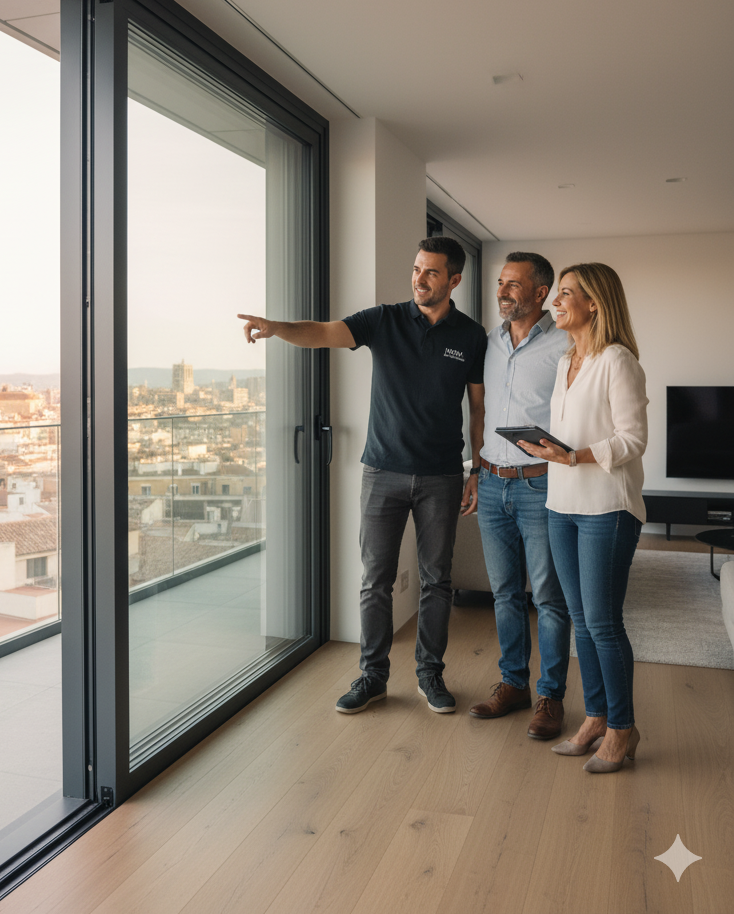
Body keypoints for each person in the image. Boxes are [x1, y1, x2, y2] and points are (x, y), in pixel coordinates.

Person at [238, 237, 486, 715]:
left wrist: (474, 468)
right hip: (382, 474)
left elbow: (477, 409)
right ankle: (372, 676)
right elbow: (322, 332)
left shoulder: (471, 336)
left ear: (454, 280)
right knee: (376, 580)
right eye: (416, 269)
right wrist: (274, 327)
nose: (419, 279)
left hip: (441, 476)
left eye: (432, 272)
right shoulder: (385, 319)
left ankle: (430, 675)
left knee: (438, 581)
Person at [517, 262, 647, 773]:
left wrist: (574, 456)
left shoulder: (618, 361)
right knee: (583, 625)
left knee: (604, 623)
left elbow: (633, 439)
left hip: (606, 510)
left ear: (595, 302)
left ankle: (623, 728)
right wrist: (547, 448)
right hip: (561, 506)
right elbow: (569, 436)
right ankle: (596, 718)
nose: (556, 300)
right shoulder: (567, 360)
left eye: (567, 293)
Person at [469, 253, 571, 740]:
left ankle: (550, 696)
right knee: (505, 594)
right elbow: (480, 410)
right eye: (500, 283)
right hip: (491, 483)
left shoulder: (566, 345)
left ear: (540, 293)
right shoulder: (489, 341)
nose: (503, 291)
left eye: (514, 285)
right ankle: (513, 685)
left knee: (549, 598)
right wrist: (474, 470)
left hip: (540, 485)